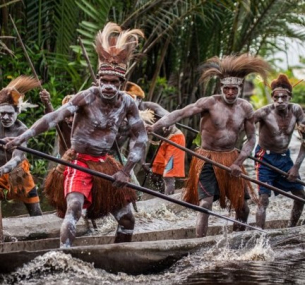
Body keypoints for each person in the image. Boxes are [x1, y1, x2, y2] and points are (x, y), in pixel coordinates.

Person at [5, 22, 147, 247]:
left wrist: (127, 171)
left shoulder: (127, 103)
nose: (108, 87)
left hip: (105, 164)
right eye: (104, 81)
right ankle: (64, 256)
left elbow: (141, 138)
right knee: (73, 209)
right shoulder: (87, 97)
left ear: (121, 83)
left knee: (128, 219)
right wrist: (23, 137)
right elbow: (54, 118)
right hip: (78, 162)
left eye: (113, 82)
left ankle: (120, 254)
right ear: (98, 80)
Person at [147, 54, 271, 237]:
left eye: (234, 89)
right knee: (205, 204)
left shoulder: (245, 108)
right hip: (207, 158)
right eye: (227, 88)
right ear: (221, 87)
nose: (230, 92)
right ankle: (200, 242)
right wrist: (155, 126)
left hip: (231, 159)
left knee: (243, 208)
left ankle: (238, 240)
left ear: (240, 88)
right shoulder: (209, 103)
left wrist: (238, 162)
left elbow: (252, 139)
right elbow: (179, 114)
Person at [254, 74, 305, 229]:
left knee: (301, 197)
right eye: (277, 98)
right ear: (272, 97)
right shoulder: (263, 113)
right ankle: (259, 235)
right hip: (264, 158)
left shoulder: (296, 111)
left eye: (284, 97)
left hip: (285, 158)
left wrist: (296, 166)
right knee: (264, 199)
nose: (280, 101)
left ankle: (291, 228)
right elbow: (243, 126)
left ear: (289, 97)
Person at [0, 76, 42, 216]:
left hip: (18, 171)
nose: (6, 117)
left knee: (35, 210)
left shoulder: (21, 130)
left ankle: (39, 228)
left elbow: (17, 157)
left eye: (10, 114)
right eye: (2, 113)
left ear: (17, 112)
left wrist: (4, 169)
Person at [40, 92, 75, 156]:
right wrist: (47, 103)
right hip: (63, 159)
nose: (71, 120)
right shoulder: (61, 120)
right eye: (68, 116)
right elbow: (51, 115)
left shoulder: (84, 121)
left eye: (73, 116)